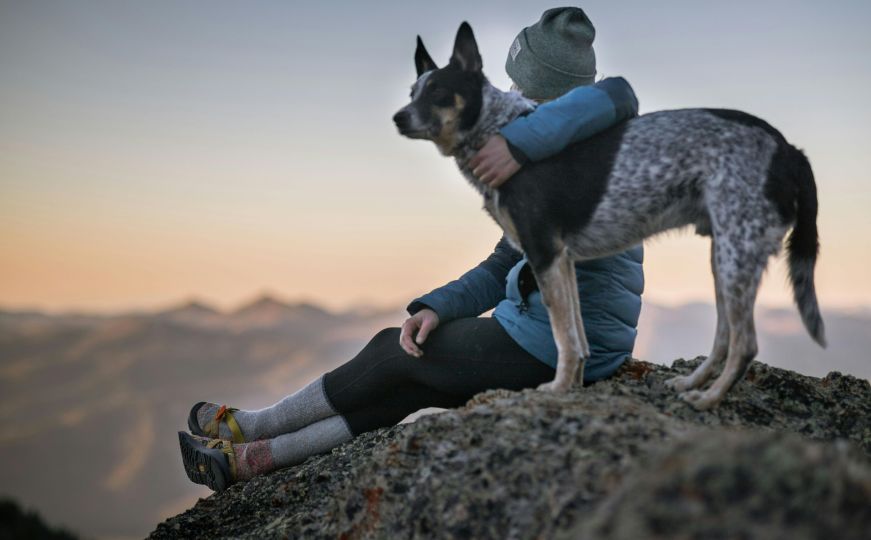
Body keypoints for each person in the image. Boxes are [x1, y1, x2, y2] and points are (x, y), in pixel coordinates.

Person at [179, 7, 644, 492]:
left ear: (550, 94)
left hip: (565, 346)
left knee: (392, 353)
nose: (508, 94)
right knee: (408, 380)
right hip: (542, 330)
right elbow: (505, 259)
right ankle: (249, 461)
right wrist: (438, 307)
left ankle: (251, 428)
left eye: (519, 85)